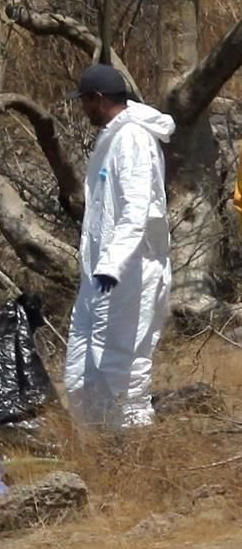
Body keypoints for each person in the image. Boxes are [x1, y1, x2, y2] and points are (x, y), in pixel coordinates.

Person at [64, 64, 175, 429]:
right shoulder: (114, 137)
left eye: (84, 102)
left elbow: (136, 208)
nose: (82, 109)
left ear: (98, 99)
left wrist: (112, 263)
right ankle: (93, 442)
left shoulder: (133, 140)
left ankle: (132, 451)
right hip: (100, 275)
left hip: (130, 271)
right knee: (84, 360)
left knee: (123, 365)